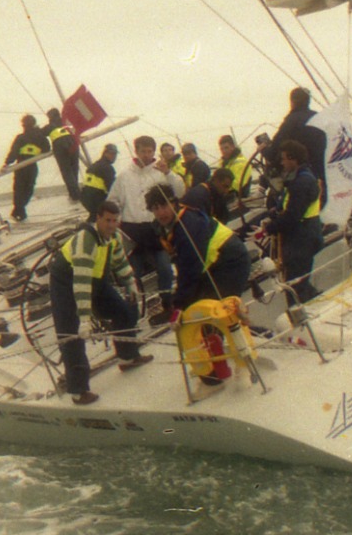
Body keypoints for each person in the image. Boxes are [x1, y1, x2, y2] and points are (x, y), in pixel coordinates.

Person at [48, 200, 152, 404]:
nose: (112, 225)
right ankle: (78, 391)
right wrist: (85, 319)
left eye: (115, 220)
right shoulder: (86, 243)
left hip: (96, 279)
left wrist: (130, 283)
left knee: (123, 311)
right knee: (71, 334)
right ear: (98, 219)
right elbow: (81, 285)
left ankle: (127, 357)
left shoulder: (114, 237)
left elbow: (120, 262)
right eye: (107, 220)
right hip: (67, 283)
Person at [107, 135, 185, 316]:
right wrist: (115, 219)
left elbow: (180, 191)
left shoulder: (160, 173)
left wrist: (168, 173)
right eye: (143, 151)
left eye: (150, 151)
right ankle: (132, 311)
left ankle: (167, 305)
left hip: (154, 230)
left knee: (165, 268)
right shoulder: (125, 176)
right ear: (136, 151)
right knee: (131, 275)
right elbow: (113, 200)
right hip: (131, 232)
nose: (147, 155)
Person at [146, 185, 251, 313]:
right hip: (211, 266)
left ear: (174, 204)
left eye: (165, 206)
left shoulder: (188, 225)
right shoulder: (163, 227)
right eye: (155, 208)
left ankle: (253, 332)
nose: (161, 212)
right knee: (197, 311)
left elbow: (190, 269)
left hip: (231, 262)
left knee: (213, 314)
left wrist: (179, 305)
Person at [260, 139, 324, 304]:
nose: (281, 162)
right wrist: (275, 213)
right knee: (298, 284)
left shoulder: (301, 182)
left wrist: (270, 228)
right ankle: (314, 303)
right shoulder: (303, 178)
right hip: (305, 237)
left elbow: (293, 216)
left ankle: (305, 320)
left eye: (283, 159)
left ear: (293, 159)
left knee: (295, 289)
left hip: (302, 239)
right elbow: (289, 208)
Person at [265, 87, 328, 184]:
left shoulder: (291, 120)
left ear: (292, 102)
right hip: (321, 172)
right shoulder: (319, 118)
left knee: (273, 161)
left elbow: (274, 149)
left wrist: (263, 150)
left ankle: (264, 189)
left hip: (300, 175)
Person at [4, 114, 48, 222]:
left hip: (21, 166)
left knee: (19, 188)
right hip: (32, 166)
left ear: (24, 125)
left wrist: (7, 163)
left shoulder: (20, 138)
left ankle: (19, 210)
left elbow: (13, 152)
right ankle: (20, 210)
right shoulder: (40, 137)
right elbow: (47, 148)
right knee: (29, 188)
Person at [42, 107, 82, 202]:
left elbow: (39, 134)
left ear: (50, 116)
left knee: (67, 172)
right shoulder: (67, 122)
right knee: (74, 170)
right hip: (73, 144)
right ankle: (76, 193)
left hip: (60, 148)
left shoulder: (49, 126)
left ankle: (75, 195)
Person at [216, 134, 254, 213]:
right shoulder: (223, 163)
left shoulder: (241, 162)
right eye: (221, 149)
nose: (224, 151)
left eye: (226, 148)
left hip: (236, 197)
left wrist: (219, 186)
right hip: (224, 194)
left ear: (233, 147)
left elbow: (238, 185)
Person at [79, 143, 118, 220]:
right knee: (102, 217)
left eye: (115, 154)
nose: (114, 156)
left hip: (85, 197)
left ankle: (88, 227)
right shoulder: (108, 168)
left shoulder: (94, 165)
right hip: (96, 199)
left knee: (94, 216)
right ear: (105, 153)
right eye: (111, 154)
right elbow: (112, 188)